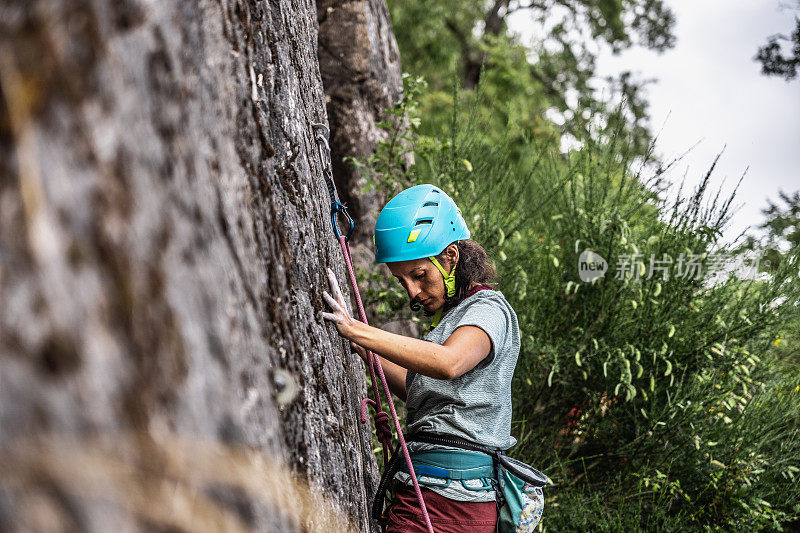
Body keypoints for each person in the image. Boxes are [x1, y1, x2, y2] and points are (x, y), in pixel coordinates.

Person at [321, 184, 521, 533]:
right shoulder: (453, 318)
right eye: (402, 281)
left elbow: (448, 363)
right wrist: (365, 350)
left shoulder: (488, 310)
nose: (412, 291)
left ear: (451, 257)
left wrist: (358, 330)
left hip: (451, 500)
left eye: (419, 275)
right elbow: (419, 390)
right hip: (434, 492)